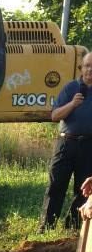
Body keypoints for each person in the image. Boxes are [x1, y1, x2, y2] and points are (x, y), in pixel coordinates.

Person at [38, 52, 92, 231]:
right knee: (56, 185)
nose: (90, 70)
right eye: (87, 66)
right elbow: (54, 116)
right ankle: (46, 227)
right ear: (81, 68)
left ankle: (74, 226)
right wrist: (72, 104)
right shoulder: (71, 88)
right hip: (66, 144)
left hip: (89, 146)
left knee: (83, 188)